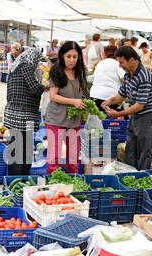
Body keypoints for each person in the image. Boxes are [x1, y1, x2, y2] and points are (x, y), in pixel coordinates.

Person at [102, 46, 152, 170]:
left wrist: (118, 114)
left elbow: (140, 105)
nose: (119, 65)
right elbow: (121, 95)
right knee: (130, 147)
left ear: (132, 60)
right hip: (136, 114)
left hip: (148, 115)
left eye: (121, 62)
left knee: (144, 150)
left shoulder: (143, 76)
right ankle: (129, 173)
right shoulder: (128, 75)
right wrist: (110, 101)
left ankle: (142, 176)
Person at [44, 41, 87, 174]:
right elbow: (53, 96)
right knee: (54, 157)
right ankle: (53, 185)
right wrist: (73, 101)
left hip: (74, 121)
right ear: (62, 55)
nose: (72, 60)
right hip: (56, 119)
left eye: (75, 57)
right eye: (68, 56)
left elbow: (82, 94)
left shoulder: (80, 73)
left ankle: (74, 184)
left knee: (73, 158)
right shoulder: (57, 71)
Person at [4, 49, 45, 176]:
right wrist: (45, 85)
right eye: (37, 61)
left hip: (13, 113)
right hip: (23, 115)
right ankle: (19, 179)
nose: (37, 64)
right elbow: (34, 89)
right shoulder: (26, 67)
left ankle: (15, 179)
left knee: (17, 149)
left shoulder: (15, 67)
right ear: (33, 58)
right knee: (22, 150)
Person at [90, 45, 126, 117]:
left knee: (98, 121)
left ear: (105, 53)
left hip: (94, 95)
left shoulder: (100, 63)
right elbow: (124, 79)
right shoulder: (117, 64)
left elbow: (94, 78)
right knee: (115, 122)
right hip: (110, 97)